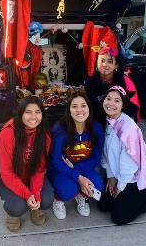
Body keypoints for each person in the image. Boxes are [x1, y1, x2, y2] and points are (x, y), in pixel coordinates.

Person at [97, 85, 146, 225]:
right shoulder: (107, 121)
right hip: (117, 175)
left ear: (123, 105)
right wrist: (110, 176)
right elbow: (105, 153)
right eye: (108, 99)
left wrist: (120, 187)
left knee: (119, 217)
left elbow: (129, 163)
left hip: (134, 178)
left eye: (117, 101)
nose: (111, 103)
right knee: (103, 206)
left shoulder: (128, 128)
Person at [0, 96, 53, 232]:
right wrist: (27, 193)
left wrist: (35, 193)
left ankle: (34, 207)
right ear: (20, 114)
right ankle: (11, 212)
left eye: (38, 112)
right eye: (28, 112)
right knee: (18, 207)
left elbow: (40, 169)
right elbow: (6, 173)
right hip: (10, 178)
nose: (33, 117)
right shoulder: (8, 133)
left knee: (46, 200)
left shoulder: (44, 134)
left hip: (31, 176)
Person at [47, 91, 104, 220]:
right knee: (68, 191)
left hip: (82, 166)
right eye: (74, 106)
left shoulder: (96, 128)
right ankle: (58, 200)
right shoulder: (60, 130)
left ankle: (81, 197)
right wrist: (78, 176)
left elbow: (96, 157)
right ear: (69, 110)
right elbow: (56, 161)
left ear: (89, 108)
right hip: (60, 169)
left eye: (83, 105)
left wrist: (77, 172)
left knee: (97, 185)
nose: (79, 110)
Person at [84, 47, 140, 123]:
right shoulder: (89, 82)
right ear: (96, 63)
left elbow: (131, 110)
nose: (105, 65)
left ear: (116, 65)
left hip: (119, 123)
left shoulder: (126, 83)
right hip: (96, 123)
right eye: (102, 61)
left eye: (109, 62)